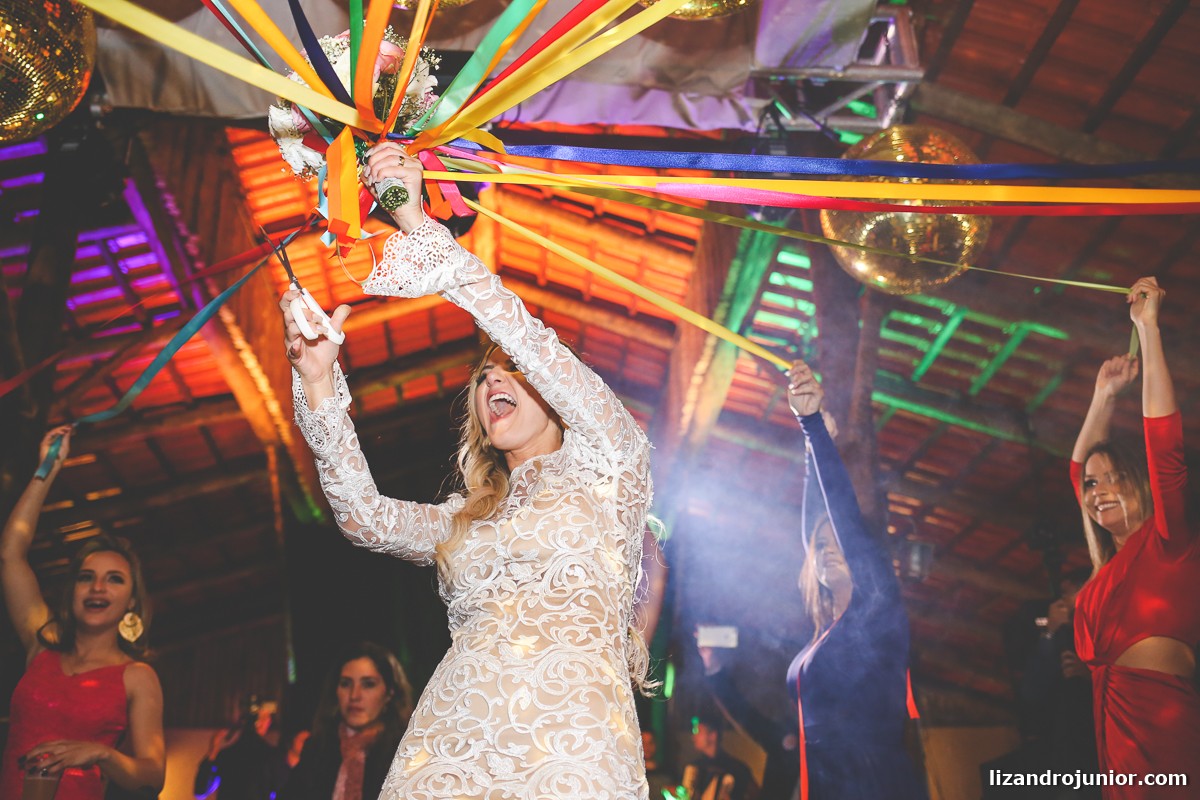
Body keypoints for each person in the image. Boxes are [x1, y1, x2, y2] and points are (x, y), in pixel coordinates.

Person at [280, 142, 654, 798]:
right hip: (451, 745)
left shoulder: (613, 463)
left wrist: (419, 226)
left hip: (575, 746)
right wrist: (317, 385)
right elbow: (364, 519)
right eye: (483, 378)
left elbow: (531, 339)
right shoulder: (465, 516)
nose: (493, 383)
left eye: (511, 372)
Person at [1069, 277, 1198, 798]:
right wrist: (1102, 395)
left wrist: (1148, 331)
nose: (1096, 492)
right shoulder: (1105, 573)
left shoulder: (1168, 541)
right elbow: (1077, 473)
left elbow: (1163, 438)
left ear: (1140, 480)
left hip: (1162, 728)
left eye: (1111, 478)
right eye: (1093, 486)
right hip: (1113, 740)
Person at [784, 361, 926, 800]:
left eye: (837, 540)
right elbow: (817, 526)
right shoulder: (827, 631)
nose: (825, 547)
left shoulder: (878, 610)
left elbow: (842, 514)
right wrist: (811, 453)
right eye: (820, 543)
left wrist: (813, 428)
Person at [0, 427, 166, 799]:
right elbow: (10, 554)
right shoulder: (41, 645)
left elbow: (153, 777)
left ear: (132, 603)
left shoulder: (137, 677)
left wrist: (101, 754)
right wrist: (47, 470)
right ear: (72, 590)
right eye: (86, 577)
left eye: (114, 580)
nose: (97, 587)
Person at [280, 642, 412, 800]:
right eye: (346, 684)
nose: (354, 695)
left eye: (368, 684)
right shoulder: (318, 747)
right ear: (336, 690)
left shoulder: (406, 751)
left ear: (389, 693)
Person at [193, 697, 289, 800]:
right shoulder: (271, 756)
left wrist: (213, 752)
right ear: (257, 722)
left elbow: (200, 791)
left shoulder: (226, 755)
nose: (269, 721)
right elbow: (284, 792)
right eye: (265, 717)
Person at [680, 714, 753, 800]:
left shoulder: (738, 769)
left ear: (713, 736)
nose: (694, 737)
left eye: (698, 732)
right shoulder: (693, 767)